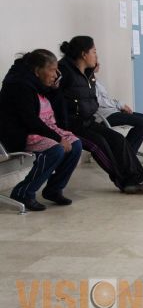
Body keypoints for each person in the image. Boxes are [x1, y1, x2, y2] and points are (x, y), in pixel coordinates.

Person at [57, 36, 143, 194]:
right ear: (84, 54)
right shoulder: (64, 72)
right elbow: (55, 101)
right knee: (100, 145)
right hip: (71, 125)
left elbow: (92, 101)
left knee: (118, 140)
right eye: (94, 52)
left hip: (88, 122)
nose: (96, 56)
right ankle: (124, 182)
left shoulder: (87, 74)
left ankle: (139, 178)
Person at [0, 49, 82, 211]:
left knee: (76, 145)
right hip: (17, 134)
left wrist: (55, 88)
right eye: (52, 70)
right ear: (37, 71)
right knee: (56, 150)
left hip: (34, 130)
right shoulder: (19, 86)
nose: (56, 74)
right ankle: (23, 192)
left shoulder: (37, 84)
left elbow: (57, 112)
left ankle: (54, 189)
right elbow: (30, 121)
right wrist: (57, 138)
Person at [94, 63, 143, 153]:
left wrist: (119, 106)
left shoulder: (96, 80)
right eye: (95, 56)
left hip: (112, 111)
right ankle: (127, 154)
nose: (98, 64)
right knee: (142, 122)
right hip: (103, 115)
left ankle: (127, 153)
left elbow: (105, 100)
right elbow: (98, 102)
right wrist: (120, 104)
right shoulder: (87, 82)